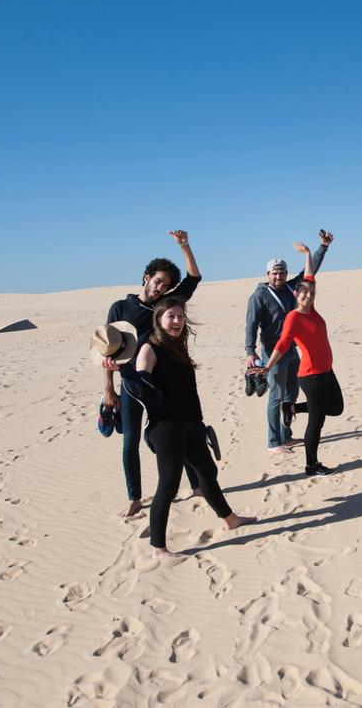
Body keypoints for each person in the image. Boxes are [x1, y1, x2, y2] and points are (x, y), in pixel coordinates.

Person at [107, 298, 254, 561]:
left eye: (180, 316)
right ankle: (158, 548)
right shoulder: (149, 349)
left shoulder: (177, 345)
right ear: (158, 320)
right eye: (171, 316)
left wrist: (199, 422)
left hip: (189, 423)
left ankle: (230, 519)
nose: (177, 321)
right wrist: (125, 373)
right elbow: (142, 385)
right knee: (168, 485)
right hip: (166, 428)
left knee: (207, 472)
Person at [103, 230, 203, 518]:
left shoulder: (165, 307)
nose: (160, 288)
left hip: (164, 384)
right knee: (130, 441)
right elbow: (106, 350)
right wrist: (108, 388)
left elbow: (194, 278)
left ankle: (197, 486)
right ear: (146, 277)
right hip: (131, 384)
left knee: (181, 431)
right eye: (158, 281)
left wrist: (185, 247)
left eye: (166, 285)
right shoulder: (120, 308)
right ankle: (134, 498)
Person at [249, 243, 339, 477]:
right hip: (311, 375)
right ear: (295, 295)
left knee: (336, 407)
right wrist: (266, 365)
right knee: (316, 421)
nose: (308, 295)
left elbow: (309, 277)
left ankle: (292, 407)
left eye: (311, 293)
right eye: (303, 293)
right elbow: (282, 343)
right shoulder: (293, 317)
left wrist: (310, 253)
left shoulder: (312, 310)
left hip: (327, 371)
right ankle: (311, 466)